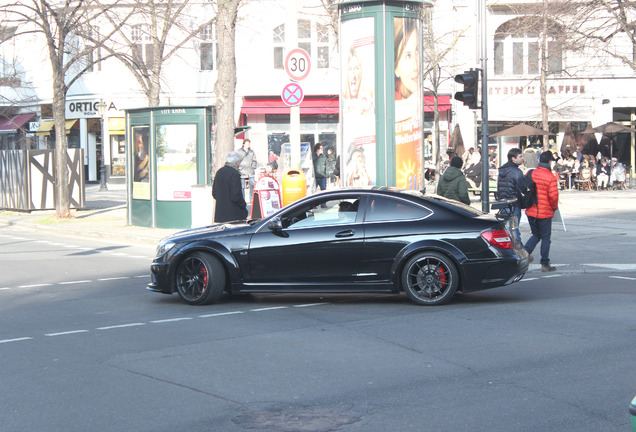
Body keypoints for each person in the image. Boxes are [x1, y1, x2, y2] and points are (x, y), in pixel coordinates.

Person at [524, 150, 559, 272]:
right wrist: (553, 208)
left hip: (531, 210)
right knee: (545, 237)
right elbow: (553, 197)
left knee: (535, 234)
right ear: (550, 162)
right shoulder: (551, 177)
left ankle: (524, 255)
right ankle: (545, 264)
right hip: (545, 212)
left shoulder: (531, 173)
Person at [496, 148, 525, 243]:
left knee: (507, 229)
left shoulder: (502, 170)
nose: (523, 158)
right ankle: (519, 250)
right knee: (514, 229)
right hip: (514, 203)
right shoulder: (516, 171)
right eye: (520, 156)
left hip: (503, 203)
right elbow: (523, 188)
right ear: (513, 158)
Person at [212, 151, 248, 223]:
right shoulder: (234, 174)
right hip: (233, 214)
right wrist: (243, 204)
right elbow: (236, 195)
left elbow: (214, 193)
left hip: (220, 213)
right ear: (237, 162)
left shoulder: (219, 172)